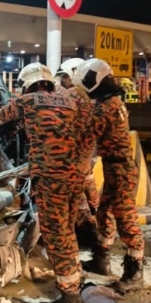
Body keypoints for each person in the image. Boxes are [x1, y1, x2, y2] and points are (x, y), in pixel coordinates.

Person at [0, 62, 92, 303]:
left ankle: (70, 301)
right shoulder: (71, 102)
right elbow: (85, 133)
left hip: (51, 178)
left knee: (56, 236)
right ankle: (74, 281)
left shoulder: (26, 101)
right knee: (67, 231)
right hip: (74, 177)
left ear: (27, 84)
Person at [71, 58, 146, 291]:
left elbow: (84, 138)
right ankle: (101, 260)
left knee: (126, 219)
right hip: (115, 167)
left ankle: (135, 271)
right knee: (105, 212)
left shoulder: (105, 108)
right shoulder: (113, 101)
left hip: (120, 169)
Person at [55, 58, 108, 274]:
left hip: (70, 166)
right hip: (86, 164)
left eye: (65, 77)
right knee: (89, 207)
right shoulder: (95, 100)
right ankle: (100, 253)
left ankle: (71, 266)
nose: (63, 81)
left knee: (68, 213)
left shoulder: (70, 96)